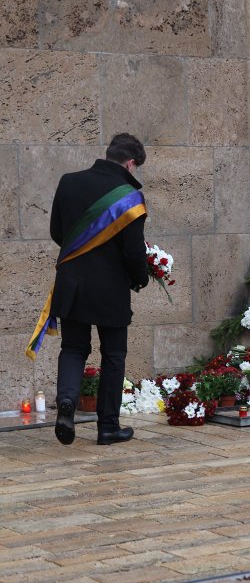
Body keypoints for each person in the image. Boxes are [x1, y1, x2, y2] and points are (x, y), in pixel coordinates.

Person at [49, 133, 149, 446]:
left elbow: (56, 232)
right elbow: (133, 251)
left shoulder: (68, 182)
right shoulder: (129, 197)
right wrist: (141, 277)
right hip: (110, 289)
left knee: (74, 347)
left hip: (73, 284)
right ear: (130, 164)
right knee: (114, 355)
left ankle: (66, 403)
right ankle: (107, 428)